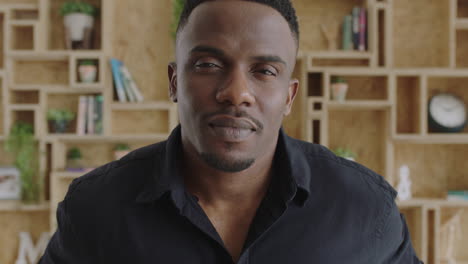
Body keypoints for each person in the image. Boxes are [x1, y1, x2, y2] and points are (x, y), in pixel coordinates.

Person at [39, 0, 422, 263]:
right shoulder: (95, 209)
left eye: (265, 71)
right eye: (207, 64)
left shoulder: (364, 209)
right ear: (174, 82)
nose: (236, 93)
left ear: (289, 96)